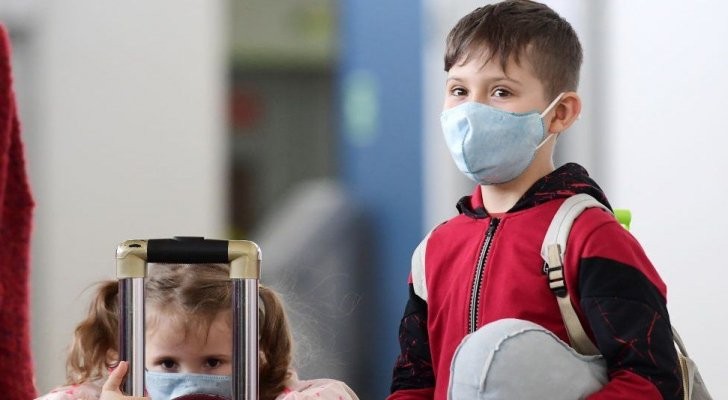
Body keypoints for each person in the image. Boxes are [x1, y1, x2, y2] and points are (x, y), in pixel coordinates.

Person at [388, 1, 683, 399]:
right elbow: (414, 384)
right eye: (459, 90)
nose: (471, 110)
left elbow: (651, 381)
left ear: (560, 113)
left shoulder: (590, 238)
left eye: (501, 91)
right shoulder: (433, 252)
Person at [36, 263, 360, 400]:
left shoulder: (273, 392)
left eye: (213, 362)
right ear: (128, 358)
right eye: (167, 363)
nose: (190, 380)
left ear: (255, 357)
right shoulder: (120, 391)